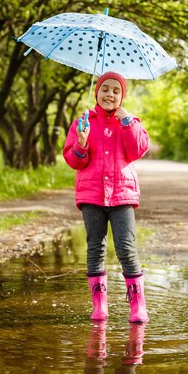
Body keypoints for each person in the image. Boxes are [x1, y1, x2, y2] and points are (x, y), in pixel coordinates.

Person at [63, 71, 150, 323]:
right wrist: (81, 142)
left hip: (122, 195)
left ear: (122, 96)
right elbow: (74, 161)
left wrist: (128, 124)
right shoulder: (84, 121)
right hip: (92, 194)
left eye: (116, 90)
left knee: (126, 246)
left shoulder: (130, 121)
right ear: (96, 92)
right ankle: (99, 305)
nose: (109, 94)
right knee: (95, 247)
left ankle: (137, 305)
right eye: (105, 89)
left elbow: (137, 151)